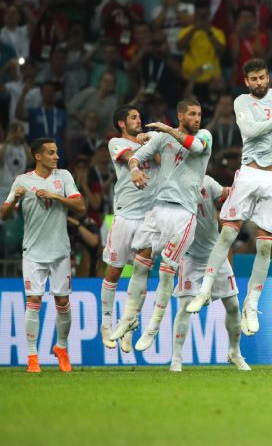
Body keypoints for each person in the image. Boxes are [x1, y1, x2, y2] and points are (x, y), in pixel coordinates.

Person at [186, 60, 272, 337]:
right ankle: (205, 289)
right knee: (226, 234)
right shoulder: (241, 102)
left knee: (264, 246)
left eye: (262, 77)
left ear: (268, 77)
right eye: (254, 79)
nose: (259, 82)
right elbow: (249, 131)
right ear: (246, 81)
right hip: (249, 174)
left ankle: (252, 303)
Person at [109, 98, 212, 344]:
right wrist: (134, 170)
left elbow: (195, 148)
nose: (197, 119)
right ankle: (129, 318)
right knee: (141, 263)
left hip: (184, 214)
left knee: (167, 271)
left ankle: (153, 327)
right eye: (192, 115)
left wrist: (166, 129)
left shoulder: (205, 136)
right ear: (180, 115)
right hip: (158, 209)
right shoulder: (161, 139)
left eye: (199, 114)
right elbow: (136, 157)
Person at [1, 138, 84, 373]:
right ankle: (32, 357)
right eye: (51, 153)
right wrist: (16, 199)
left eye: (56, 152)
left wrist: (56, 196)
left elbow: (80, 207)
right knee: (34, 301)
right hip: (33, 253)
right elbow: (4, 214)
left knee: (62, 302)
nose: (56, 156)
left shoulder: (64, 177)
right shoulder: (23, 181)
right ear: (38, 156)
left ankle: (61, 348)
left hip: (60, 251)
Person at [166, 175, 248, 371]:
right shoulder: (172, 184)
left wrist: (236, 189)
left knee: (233, 305)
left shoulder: (208, 182)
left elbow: (224, 195)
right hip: (190, 255)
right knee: (185, 306)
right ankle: (176, 359)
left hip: (215, 254)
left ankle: (235, 353)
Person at [98, 105, 158, 351]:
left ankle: (129, 323)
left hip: (148, 218)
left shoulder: (150, 140)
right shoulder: (115, 142)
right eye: (133, 117)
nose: (138, 120)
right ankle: (106, 323)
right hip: (124, 216)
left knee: (141, 275)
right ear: (122, 123)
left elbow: (159, 158)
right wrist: (145, 148)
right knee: (114, 272)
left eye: (139, 117)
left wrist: (152, 140)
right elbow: (127, 158)